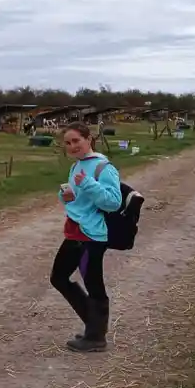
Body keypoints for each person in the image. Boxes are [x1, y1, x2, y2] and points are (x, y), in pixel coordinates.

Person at [50, 121, 122, 352]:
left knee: (93, 285)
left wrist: (89, 184)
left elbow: (113, 202)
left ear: (88, 139)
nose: (72, 146)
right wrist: (68, 196)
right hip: (74, 231)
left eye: (76, 141)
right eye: (68, 143)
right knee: (58, 277)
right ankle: (93, 326)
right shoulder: (77, 166)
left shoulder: (103, 168)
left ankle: (95, 337)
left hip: (92, 236)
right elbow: (78, 201)